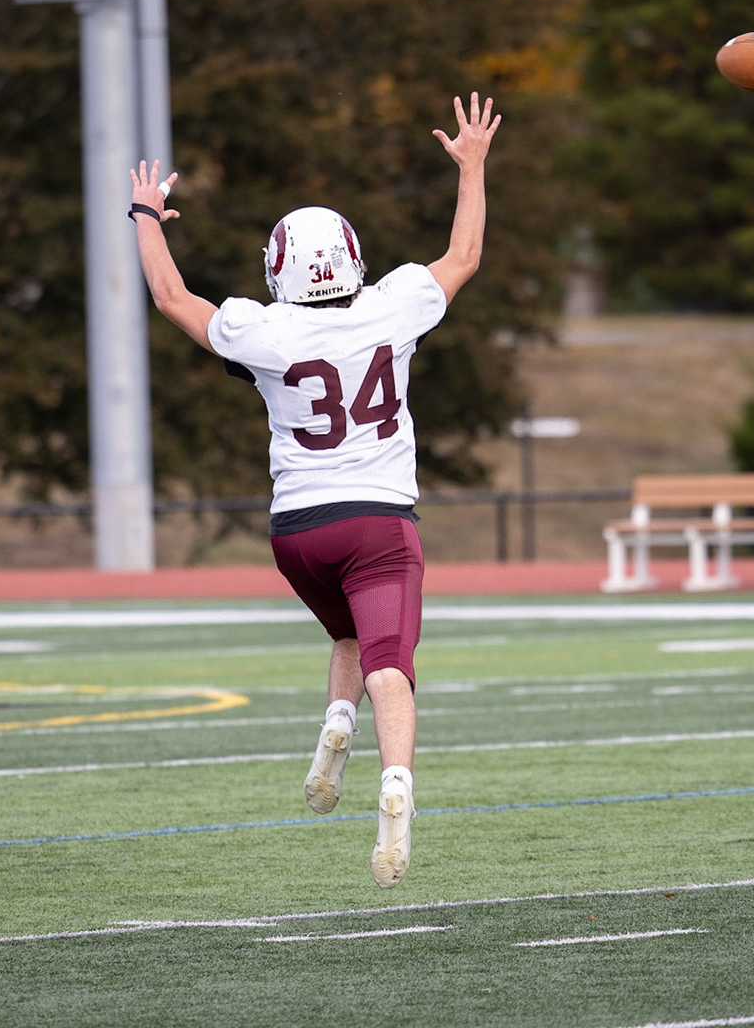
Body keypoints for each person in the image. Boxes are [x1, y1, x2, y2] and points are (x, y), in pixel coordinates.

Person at [129, 93, 500, 888]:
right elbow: (464, 255)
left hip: (297, 531)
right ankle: (395, 787)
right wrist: (470, 166)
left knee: (349, 637)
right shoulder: (395, 306)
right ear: (355, 258)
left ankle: (336, 726)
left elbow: (171, 298)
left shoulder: (264, 329)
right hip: (378, 521)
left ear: (278, 268)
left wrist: (146, 215)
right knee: (391, 662)